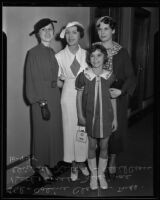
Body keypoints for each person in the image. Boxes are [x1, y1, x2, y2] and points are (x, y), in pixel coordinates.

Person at [95, 16, 136, 179]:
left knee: (115, 132)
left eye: (106, 28)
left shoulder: (121, 51)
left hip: (116, 97)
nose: (102, 32)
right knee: (97, 130)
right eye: (99, 28)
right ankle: (98, 161)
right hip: (96, 96)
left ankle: (112, 160)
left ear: (113, 30)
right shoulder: (92, 50)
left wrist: (122, 91)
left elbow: (131, 76)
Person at [25, 18, 63, 182]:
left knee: (51, 133)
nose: (47, 32)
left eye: (50, 29)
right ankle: (40, 166)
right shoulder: (33, 53)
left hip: (54, 98)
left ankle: (47, 164)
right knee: (41, 135)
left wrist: (62, 82)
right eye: (43, 30)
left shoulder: (52, 52)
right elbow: (31, 81)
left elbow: (55, 76)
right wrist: (41, 102)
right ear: (38, 34)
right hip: (42, 101)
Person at [76, 44, 118, 190]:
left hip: (107, 118)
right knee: (92, 146)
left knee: (104, 146)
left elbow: (113, 98)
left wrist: (115, 119)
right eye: (92, 56)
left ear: (104, 57)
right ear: (89, 58)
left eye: (99, 55)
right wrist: (80, 115)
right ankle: (93, 176)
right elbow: (79, 95)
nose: (95, 59)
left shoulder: (110, 76)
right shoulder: (84, 75)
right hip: (91, 118)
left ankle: (101, 174)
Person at [55, 21, 89, 181]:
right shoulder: (59, 56)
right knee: (70, 131)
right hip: (68, 97)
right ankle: (74, 165)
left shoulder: (88, 54)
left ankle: (82, 162)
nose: (70, 36)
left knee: (83, 129)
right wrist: (62, 82)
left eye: (74, 32)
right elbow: (57, 81)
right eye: (67, 33)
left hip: (85, 96)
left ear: (80, 34)